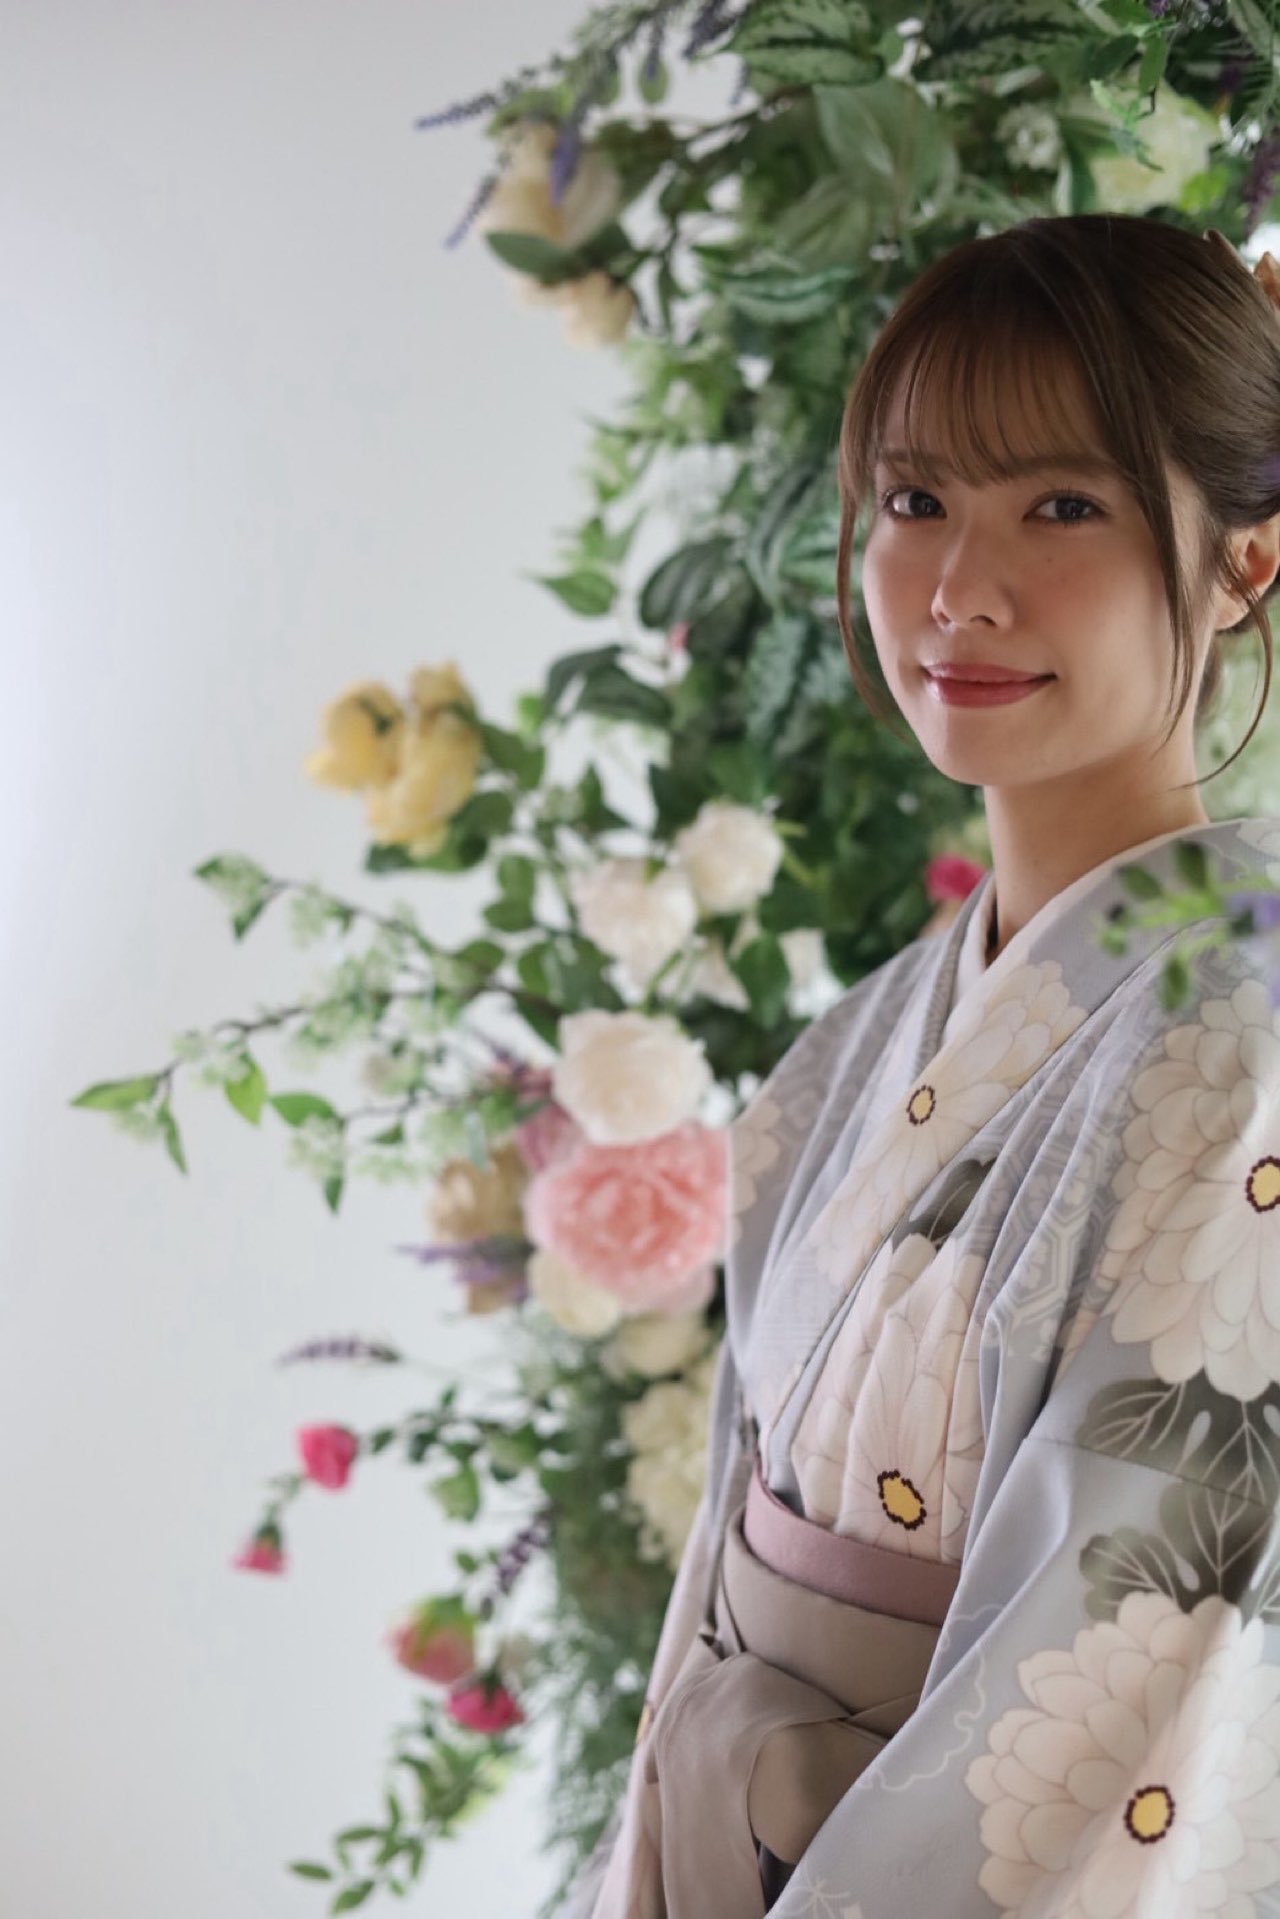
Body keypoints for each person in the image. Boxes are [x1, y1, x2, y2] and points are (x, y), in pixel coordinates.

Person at [573, 212, 1280, 1919]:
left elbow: (1129, 1678)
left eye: (1063, 506)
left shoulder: (1249, 1048)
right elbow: (716, 1591)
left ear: (1246, 562)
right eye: (914, 502)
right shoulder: (856, 1044)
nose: (960, 587)